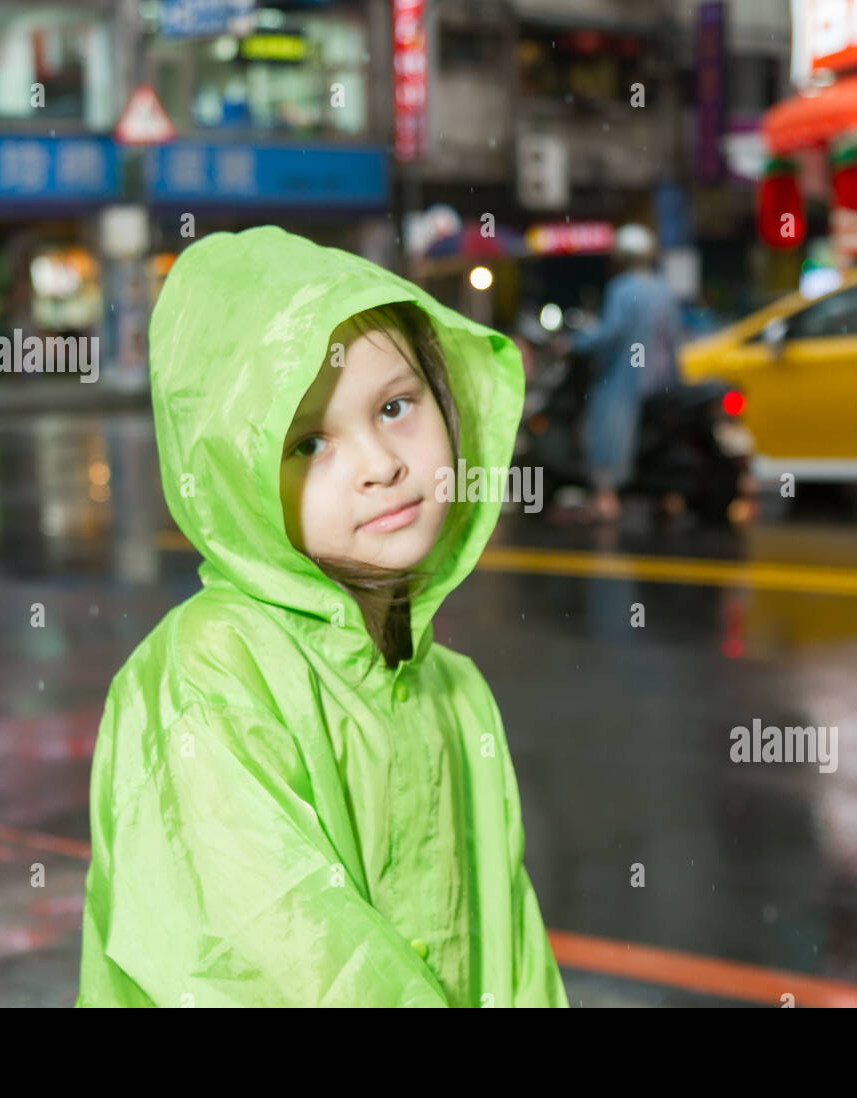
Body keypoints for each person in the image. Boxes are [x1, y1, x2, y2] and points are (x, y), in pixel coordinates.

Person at [76, 226, 568, 1008]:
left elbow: (513, 952)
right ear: (240, 476)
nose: (381, 464)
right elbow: (269, 962)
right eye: (309, 443)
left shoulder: (453, 688)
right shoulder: (209, 674)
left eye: (397, 406)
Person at [561, 223, 685, 523]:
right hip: (663, 381)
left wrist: (573, 343)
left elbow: (610, 332)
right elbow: (676, 338)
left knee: (602, 422)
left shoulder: (622, 288)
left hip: (626, 380)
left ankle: (606, 498)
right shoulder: (663, 289)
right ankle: (669, 497)